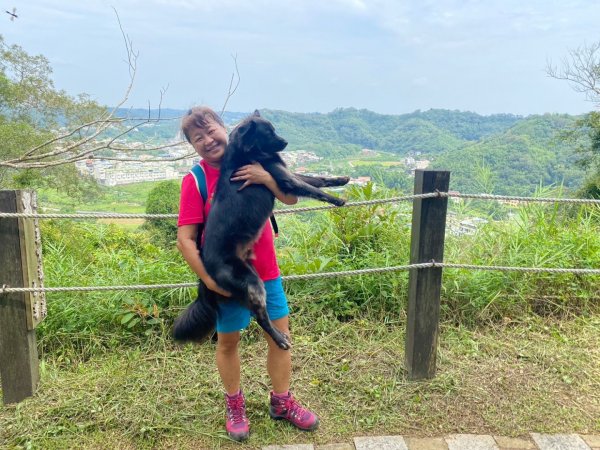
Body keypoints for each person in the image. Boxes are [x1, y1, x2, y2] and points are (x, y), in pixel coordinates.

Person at [176, 106, 319, 442]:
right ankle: (234, 405)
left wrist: (265, 177)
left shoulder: (254, 159)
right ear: (193, 146)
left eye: (211, 131)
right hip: (228, 276)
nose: (208, 140)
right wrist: (210, 281)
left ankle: (282, 402)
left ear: (226, 129)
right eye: (199, 138)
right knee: (228, 342)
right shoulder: (195, 180)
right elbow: (186, 240)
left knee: (280, 339)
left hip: (267, 271)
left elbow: (290, 197)